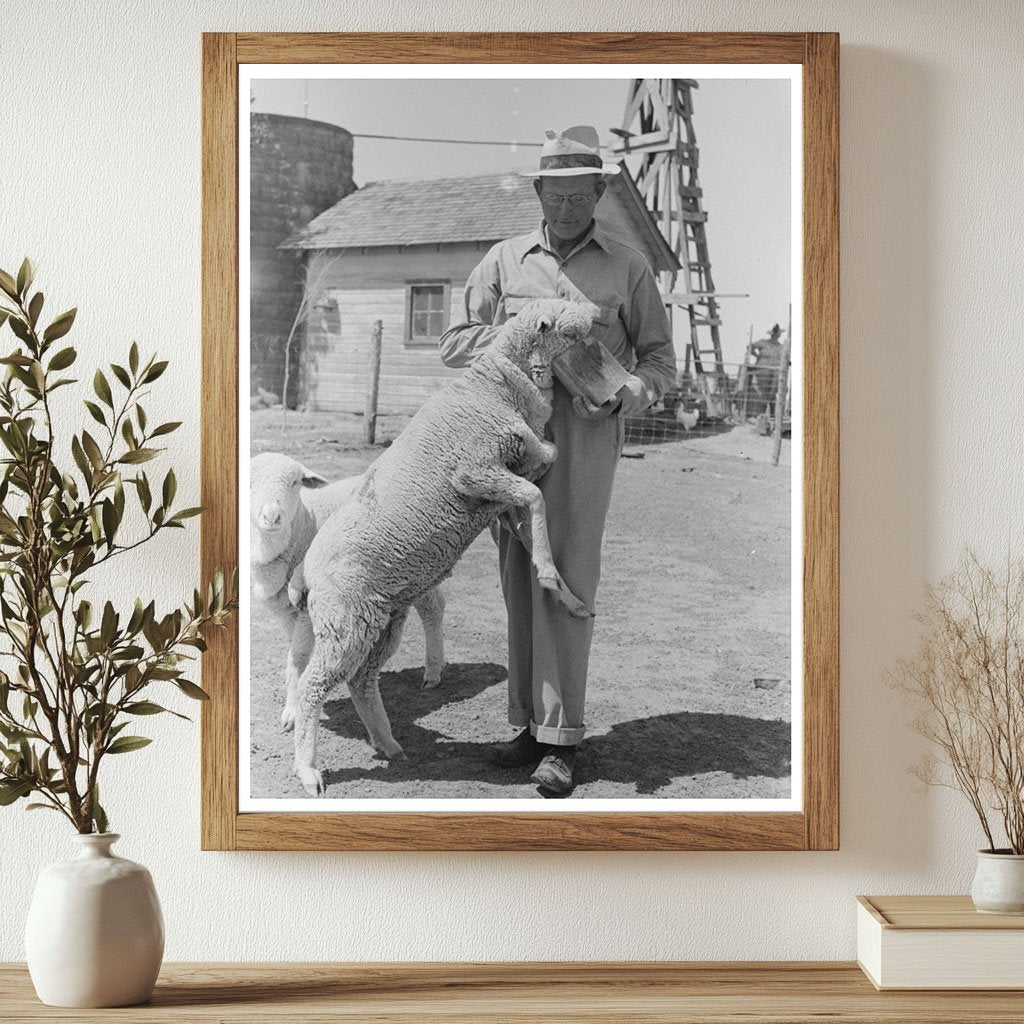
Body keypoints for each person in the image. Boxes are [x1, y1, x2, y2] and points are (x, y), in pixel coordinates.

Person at [438, 125, 676, 794]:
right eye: (556, 195)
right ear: (538, 191)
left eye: (581, 195)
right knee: (518, 579)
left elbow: (659, 361)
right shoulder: (504, 261)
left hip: (583, 446)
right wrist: (525, 332)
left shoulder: (628, 267)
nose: (567, 208)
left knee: (566, 582)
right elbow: (455, 344)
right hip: (510, 440)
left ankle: (562, 740)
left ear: (599, 191)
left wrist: (632, 389)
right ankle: (526, 726)